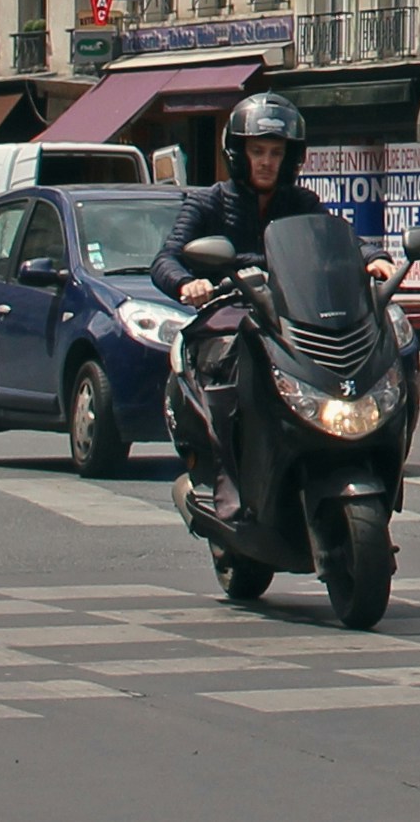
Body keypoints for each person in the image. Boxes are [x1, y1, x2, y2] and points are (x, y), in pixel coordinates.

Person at [157, 94, 384, 530]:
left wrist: (373, 256)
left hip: (287, 316)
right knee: (228, 376)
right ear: (238, 154)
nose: (266, 162)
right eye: (257, 151)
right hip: (228, 312)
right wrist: (189, 282)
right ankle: (228, 480)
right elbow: (166, 258)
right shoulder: (208, 202)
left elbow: (341, 236)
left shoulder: (301, 202)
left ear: (290, 158)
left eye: (276, 153)